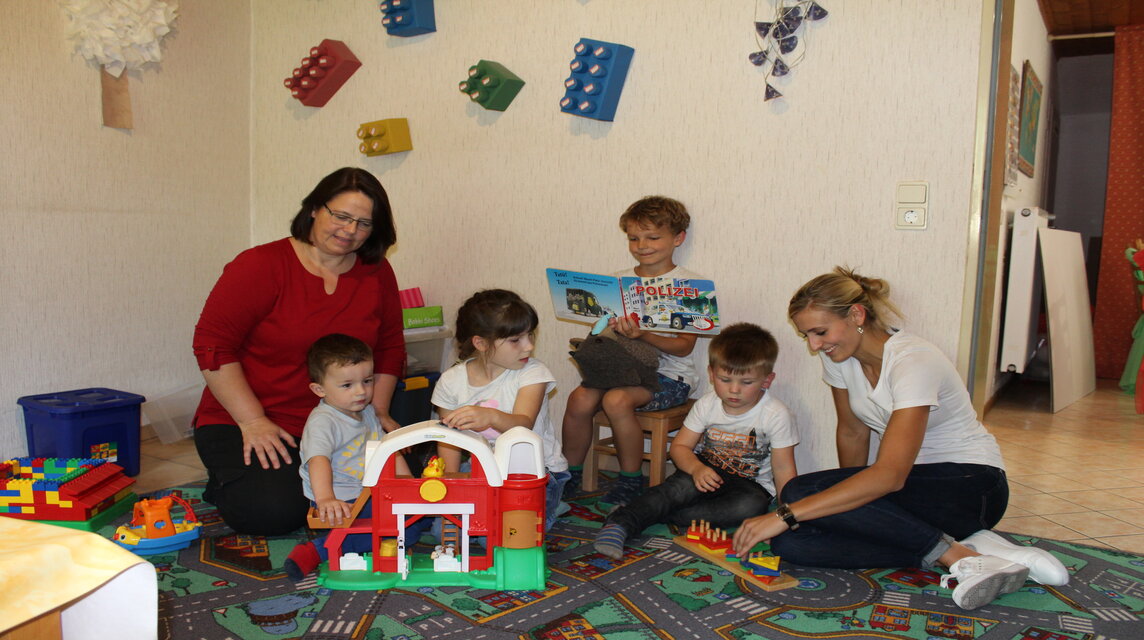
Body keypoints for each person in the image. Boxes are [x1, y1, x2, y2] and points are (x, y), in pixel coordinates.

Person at [732, 267, 1069, 611]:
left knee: (797, 495)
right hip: (914, 492)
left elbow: (890, 476)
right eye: (808, 337)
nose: (815, 345)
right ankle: (973, 547)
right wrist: (848, 509)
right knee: (793, 545)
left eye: (820, 332)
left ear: (856, 314)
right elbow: (852, 431)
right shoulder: (840, 359)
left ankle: (955, 555)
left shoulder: (913, 361)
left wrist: (785, 515)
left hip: (972, 486)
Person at [192, 167, 405, 536]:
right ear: (313, 210)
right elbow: (212, 345)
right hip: (254, 418)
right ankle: (223, 481)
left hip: (344, 419)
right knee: (273, 514)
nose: (350, 230)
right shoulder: (259, 265)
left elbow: (389, 346)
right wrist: (252, 420)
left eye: (364, 223)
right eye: (340, 216)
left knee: (397, 486)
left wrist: (379, 411)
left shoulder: (377, 272)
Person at [593, 323, 798, 559]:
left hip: (748, 485)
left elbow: (784, 470)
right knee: (675, 489)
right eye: (725, 379)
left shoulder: (776, 414)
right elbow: (681, 447)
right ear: (711, 374)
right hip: (703, 469)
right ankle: (621, 522)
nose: (734, 390)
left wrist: (784, 516)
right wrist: (697, 468)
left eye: (746, 382)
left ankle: (653, 513)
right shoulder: (707, 404)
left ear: (767, 380)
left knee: (750, 507)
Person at [561, 196, 701, 508]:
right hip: (619, 368)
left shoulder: (690, 285)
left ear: (678, 238)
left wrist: (645, 334)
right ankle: (567, 475)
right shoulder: (618, 279)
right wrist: (601, 325)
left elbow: (685, 347)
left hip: (671, 375)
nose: (642, 245)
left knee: (616, 400)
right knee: (579, 399)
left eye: (653, 237)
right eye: (633, 238)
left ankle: (630, 480)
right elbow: (602, 333)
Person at [432, 289, 570, 530]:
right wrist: (451, 485)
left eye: (530, 335)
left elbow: (523, 424)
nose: (528, 347)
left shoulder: (533, 373)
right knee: (443, 529)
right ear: (481, 343)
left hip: (535, 472)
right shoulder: (451, 381)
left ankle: (552, 503)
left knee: (507, 533)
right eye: (516, 340)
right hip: (482, 468)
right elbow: (449, 438)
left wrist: (491, 416)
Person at [284, 334, 383, 581]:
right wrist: (326, 498)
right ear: (319, 389)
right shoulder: (323, 422)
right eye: (347, 385)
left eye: (367, 381)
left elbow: (385, 449)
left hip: (366, 491)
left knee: (410, 520)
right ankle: (319, 550)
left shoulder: (367, 411)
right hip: (339, 498)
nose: (361, 391)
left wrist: (407, 484)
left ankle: (344, 541)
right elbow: (318, 460)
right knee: (394, 528)